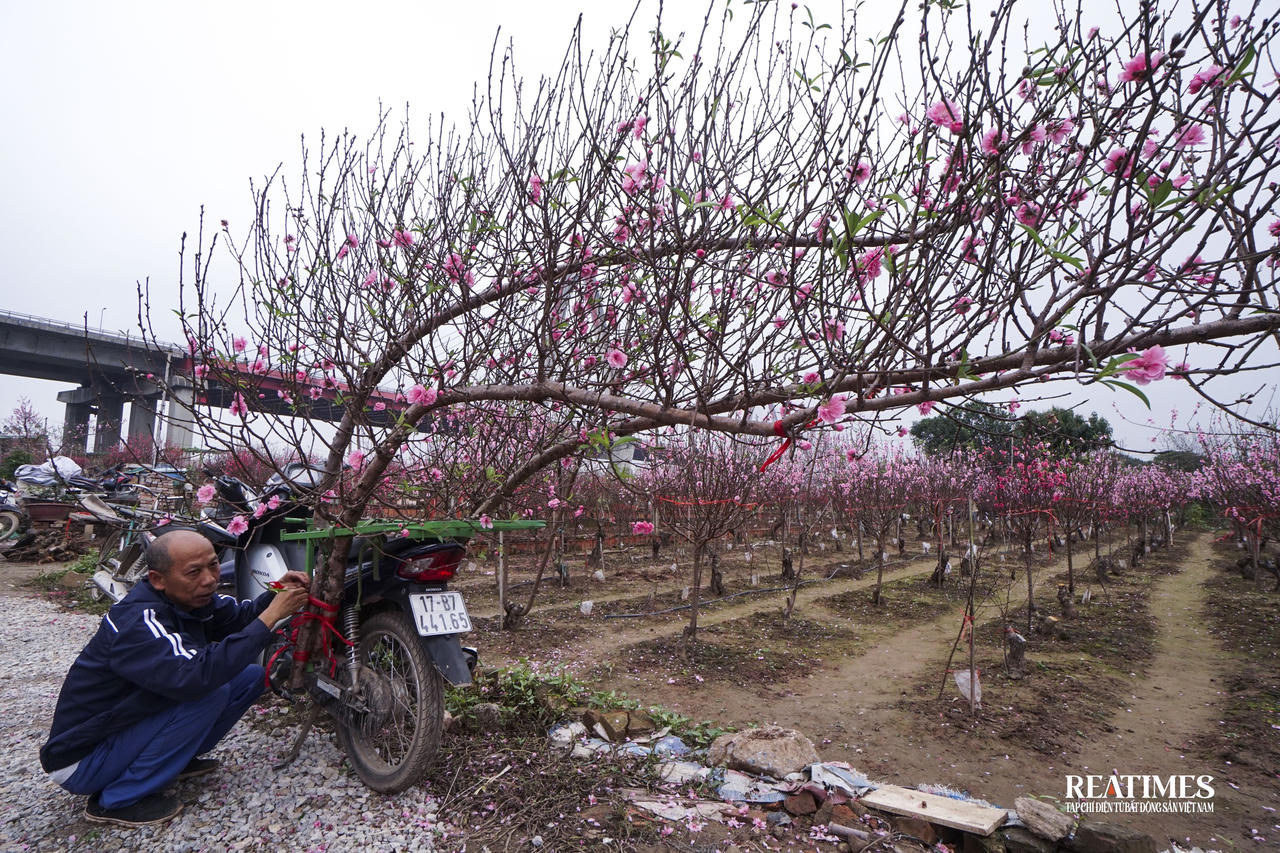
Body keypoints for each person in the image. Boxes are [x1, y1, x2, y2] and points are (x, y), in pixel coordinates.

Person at [40, 529, 310, 827]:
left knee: (250, 676)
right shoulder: (138, 622)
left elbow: (238, 618)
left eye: (213, 565)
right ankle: (116, 800)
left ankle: (172, 762)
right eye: (194, 572)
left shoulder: (190, 599)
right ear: (157, 579)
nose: (209, 579)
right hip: (83, 759)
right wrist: (272, 616)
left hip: (122, 731)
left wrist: (276, 593)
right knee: (208, 692)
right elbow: (197, 677)